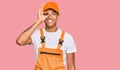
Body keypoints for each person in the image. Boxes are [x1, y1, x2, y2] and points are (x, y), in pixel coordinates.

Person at [16, 1, 77, 70]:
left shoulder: (67, 38)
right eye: (46, 14)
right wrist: (38, 21)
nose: (50, 17)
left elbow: (71, 66)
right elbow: (20, 41)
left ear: (58, 17)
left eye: (53, 14)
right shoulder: (37, 34)